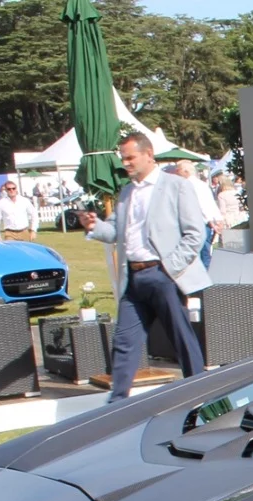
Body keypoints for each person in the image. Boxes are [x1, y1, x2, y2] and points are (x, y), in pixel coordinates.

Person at [76, 131, 209, 402]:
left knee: (182, 340)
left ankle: (200, 395)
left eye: (130, 158)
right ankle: (117, 404)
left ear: (149, 155)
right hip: (133, 278)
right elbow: (114, 231)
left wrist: (169, 269)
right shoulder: (127, 192)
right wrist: (93, 225)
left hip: (163, 276)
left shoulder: (176, 186)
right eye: (123, 158)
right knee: (124, 342)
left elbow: (196, 234)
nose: (125, 163)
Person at [172, 159, 223, 267]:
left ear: (186, 171)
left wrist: (211, 222)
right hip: (204, 224)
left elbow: (201, 205)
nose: (176, 172)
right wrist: (217, 219)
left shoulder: (188, 185)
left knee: (197, 257)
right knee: (205, 255)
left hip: (198, 224)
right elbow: (210, 204)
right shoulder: (201, 184)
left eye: (178, 170)